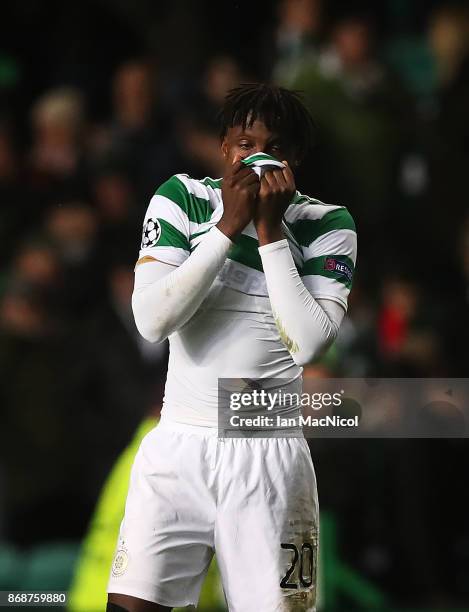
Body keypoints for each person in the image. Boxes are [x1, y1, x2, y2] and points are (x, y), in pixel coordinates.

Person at [107, 83, 357, 612]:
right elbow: (152, 321)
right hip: (178, 445)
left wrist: (269, 232)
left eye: (276, 148)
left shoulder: (328, 225)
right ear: (223, 146)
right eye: (246, 144)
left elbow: (308, 344)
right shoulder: (182, 199)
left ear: (296, 160)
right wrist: (227, 227)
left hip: (270, 457)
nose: (258, 158)